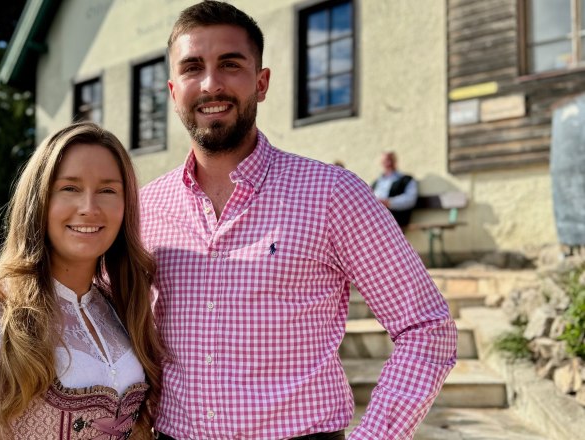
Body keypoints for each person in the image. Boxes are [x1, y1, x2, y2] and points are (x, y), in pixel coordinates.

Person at [139, 2, 456, 439]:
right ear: (174, 91)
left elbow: (426, 326)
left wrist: (375, 435)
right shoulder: (144, 208)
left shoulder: (332, 194)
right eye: (193, 67)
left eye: (230, 64)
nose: (211, 84)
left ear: (261, 82)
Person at [0, 122, 163, 439]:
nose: (89, 208)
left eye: (107, 191)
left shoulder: (119, 309)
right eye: (70, 188)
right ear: (39, 200)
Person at [371, 151, 418, 228]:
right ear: (381, 163)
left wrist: (387, 202)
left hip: (395, 220)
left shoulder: (406, 180)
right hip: (376, 219)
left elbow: (410, 200)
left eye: (391, 160)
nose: (388, 163)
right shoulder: (376, 182)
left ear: (395, 161)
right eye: (385, 161)